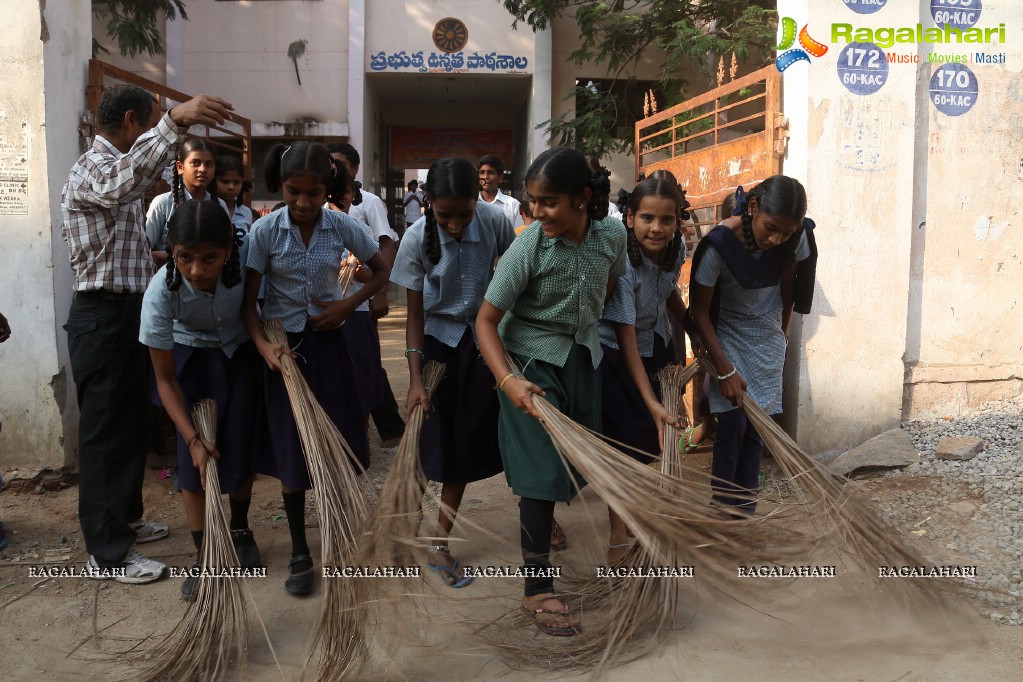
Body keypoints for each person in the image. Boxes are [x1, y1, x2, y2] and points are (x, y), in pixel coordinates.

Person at [62, 84, 233, 584]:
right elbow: (123, 182)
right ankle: (108, 552)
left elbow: (125, 227)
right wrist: (176, 119)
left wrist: (163, 258)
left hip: (125, 311)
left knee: (131, 426)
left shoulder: (117, 169)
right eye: (154, 121)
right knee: (105, 436)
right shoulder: (93, 167)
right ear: (134, 121)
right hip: (103, 316)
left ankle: (126, 520)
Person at [476, 147, 627, 637]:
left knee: (575, 466)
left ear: (583, 199)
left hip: (582, 358)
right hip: (528, 364)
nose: (537, 212)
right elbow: (486, 321)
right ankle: (536, 588)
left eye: (549, 202)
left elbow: (609, 284)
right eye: (532, 201)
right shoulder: (529, 246)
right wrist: (508, 380)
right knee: (539, 473)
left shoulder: (612, 234)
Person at [242, 141, 389, 595]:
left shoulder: (342, 225)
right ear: (279, 187)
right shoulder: (264, 234)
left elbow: (382, 270)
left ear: (330, 189)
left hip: (329, 345)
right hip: (285, 353)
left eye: (314, 193)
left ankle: (339, 536)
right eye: (293, 192)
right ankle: (300, 551)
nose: (304, 203)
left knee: (337, 442)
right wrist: (265, 348)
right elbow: (248, 305)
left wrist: (348, 305)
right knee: (292, 449)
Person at [391, 158, 514, 588]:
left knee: (463, 444)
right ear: (428, 205)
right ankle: (403, 527)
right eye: (446, 216)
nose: (458, 224)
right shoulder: (412, 240)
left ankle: (440, 542)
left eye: (465, 214)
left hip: (482, 345)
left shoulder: (496, 221)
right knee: (426, 445)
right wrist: (416, 380)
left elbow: (512, 275)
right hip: (438, 347)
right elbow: (414, 316)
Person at [140, 200, 262, 599]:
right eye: (185, 258)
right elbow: (164, 379)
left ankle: (240, 530)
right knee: (195, 467)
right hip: (189, 364)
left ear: (229, 250)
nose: (197, 270)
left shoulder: (246, 266)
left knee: (239, 450)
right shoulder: (160, 293)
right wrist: (192, 439)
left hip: (239, 357)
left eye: (210, 257)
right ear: (171, 253)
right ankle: (204, 553)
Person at [689, 176, 812, 517]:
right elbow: (699, 312)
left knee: (758, 433)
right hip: (727, 336)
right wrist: (725, 369)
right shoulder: (718, 245)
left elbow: (789, 284)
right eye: (771, 228)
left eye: (785, 233)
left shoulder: (796, 238)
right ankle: (721, 506)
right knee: (733, 427)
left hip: (768, 338)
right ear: (753, 207)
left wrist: (781, 332)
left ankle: (745, 510)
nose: (776, 239)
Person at [598, 177, 688, 562]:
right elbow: (626, 333)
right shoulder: (621, 261)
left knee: (649, 445)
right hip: (617, 354)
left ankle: (633, 517)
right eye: (647, 217)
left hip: (657, 347)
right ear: (630, 217)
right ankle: (618, 535)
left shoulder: (676, 248)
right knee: (620, 445)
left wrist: (694, 333)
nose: (657, 228)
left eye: (666, 220)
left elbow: (670, 295)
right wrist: (650, 400)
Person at [327, 143, 406, 447]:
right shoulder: (317, 203)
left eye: (340, 165)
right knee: (342, 367)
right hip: (326, 302)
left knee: (364, 363)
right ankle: (381, 427)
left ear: (355, 170)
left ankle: (372, 430)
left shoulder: (367, 202)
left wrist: (380, 290)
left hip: (360, 298)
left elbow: (386, 244)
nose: (332, 171)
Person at [145, 138, 227, 267]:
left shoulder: (219, 205)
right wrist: (167, 256)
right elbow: (144, 248)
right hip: (169, 280)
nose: (203, 169)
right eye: (195, 163)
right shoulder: (163, 203)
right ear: (180, 167)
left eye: (209, 164)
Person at [212, 155, 259, 239]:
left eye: (237, 182)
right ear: (214, 181)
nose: (231, 187)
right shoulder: (206, 208)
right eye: (225, 181)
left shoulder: (246, 212)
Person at [477, 154, 521, 227]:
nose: (485, 177)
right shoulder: (471, 203)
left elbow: (520, 235)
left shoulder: (513, 205)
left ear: (500, 178)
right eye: (481, 172)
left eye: (490, 172)